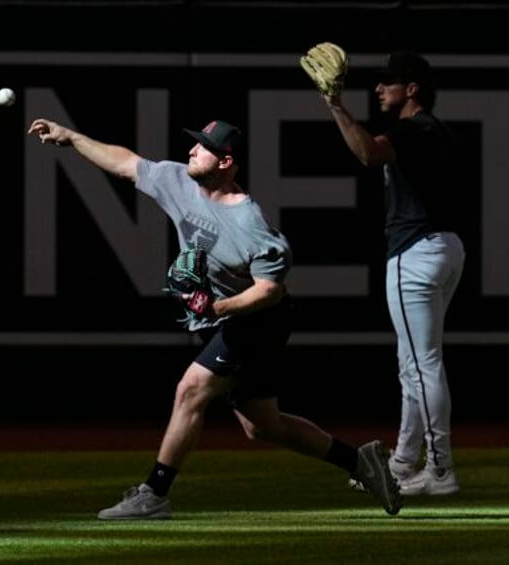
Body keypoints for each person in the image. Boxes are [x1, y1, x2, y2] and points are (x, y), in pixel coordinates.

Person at [26, 117, 403, 518]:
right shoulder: (179, 182)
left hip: (259, 320)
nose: (191, 150)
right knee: (263, 426)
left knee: (191, 390)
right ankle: (361, 464)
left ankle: (153, 494)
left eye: (202, 146)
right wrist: (72, 136)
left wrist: (217, 308)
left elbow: (268, 289)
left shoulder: (251, 226)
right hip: (234, 320)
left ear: (225, 162)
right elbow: (125, 162)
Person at [319, 51, 466, 496]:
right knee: (413, 365)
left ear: (412, 89)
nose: (379, 89)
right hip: (443, 247)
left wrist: (336, 107)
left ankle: (440, 470)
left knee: (422, 366)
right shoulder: (432, 129)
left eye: (389, 82)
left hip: (415, 253)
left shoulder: (412, 127)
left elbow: (367, 153)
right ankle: (403, 462)